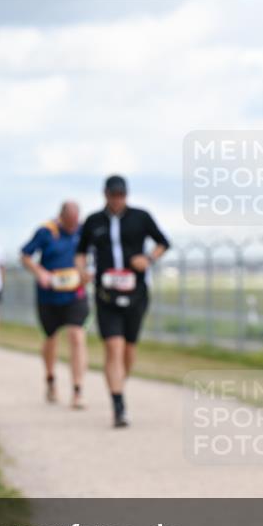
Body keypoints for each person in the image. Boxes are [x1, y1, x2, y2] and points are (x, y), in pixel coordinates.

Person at [75, 175, 170, 428]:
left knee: (129, 350)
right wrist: (82, 271)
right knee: (113, 347)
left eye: (121, 195)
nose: (117, 200)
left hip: (136, 291)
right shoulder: (94, 222)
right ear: (105, 194)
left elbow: (164, 242)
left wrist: (148, 259)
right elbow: (81, 252)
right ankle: (118, 405)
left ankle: (119, 384)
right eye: (113, 195)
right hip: (106, 293)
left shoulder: (141, 217)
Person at [21, 202, 89, 409]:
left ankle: (77, 390)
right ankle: (50, 379)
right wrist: (40, 272)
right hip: (48, 296)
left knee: (77, 336)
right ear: (61, 218)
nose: (72, 227)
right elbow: (25, 256)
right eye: (69, 223)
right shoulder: (46, 231)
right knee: (50, 338)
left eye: (75, 223)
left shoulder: (84, 231)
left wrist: (87, 273)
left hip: (75, 294)